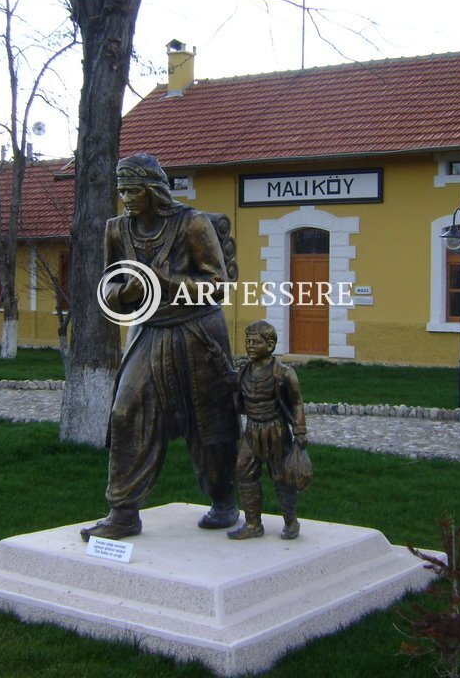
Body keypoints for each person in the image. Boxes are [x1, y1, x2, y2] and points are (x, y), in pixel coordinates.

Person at [80, 154, 240, 541]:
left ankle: (224, 499)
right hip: (149, 331)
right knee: (125, 412)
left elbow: (218, 286)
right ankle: (123, 512)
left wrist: (163, 280)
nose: (127, 198)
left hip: (198, 332)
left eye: (134, 190)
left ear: (154, 190)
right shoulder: (117, 230)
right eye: (121, 191)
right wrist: (126, 292)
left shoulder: (192, 224)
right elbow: (108, 289)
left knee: (211, 423)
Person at [228, 320, 308, 541]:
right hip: (252, 431)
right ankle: (253, 523)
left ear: (270, 345)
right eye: (248, 341)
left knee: (282, 477)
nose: (250, 345)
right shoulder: (244, 371)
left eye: (256, 342)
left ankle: (291, 521)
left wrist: (300, 430)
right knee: (244, 472)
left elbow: (297, 402)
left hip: (276, 431)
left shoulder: (284, 373)